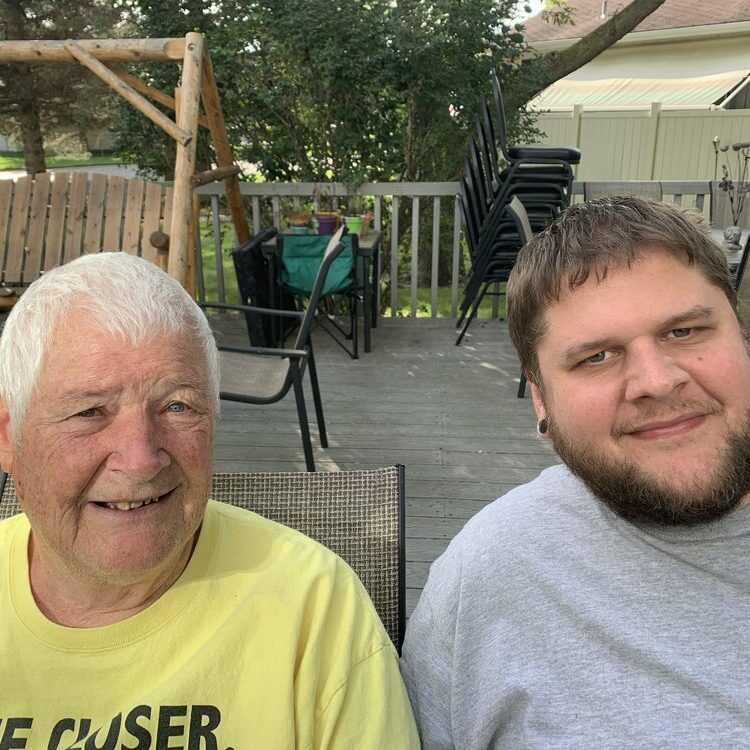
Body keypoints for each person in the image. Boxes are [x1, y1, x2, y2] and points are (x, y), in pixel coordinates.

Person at [0, 252, 419, 748]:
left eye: (179, 406)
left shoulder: (314, 609)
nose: (141, 459)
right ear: (9, 437)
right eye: (90, 412)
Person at [401, 197, 750, 748]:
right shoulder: (493, 576)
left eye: (684, 331)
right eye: (597, 357)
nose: (656, 381)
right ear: (540, 400)